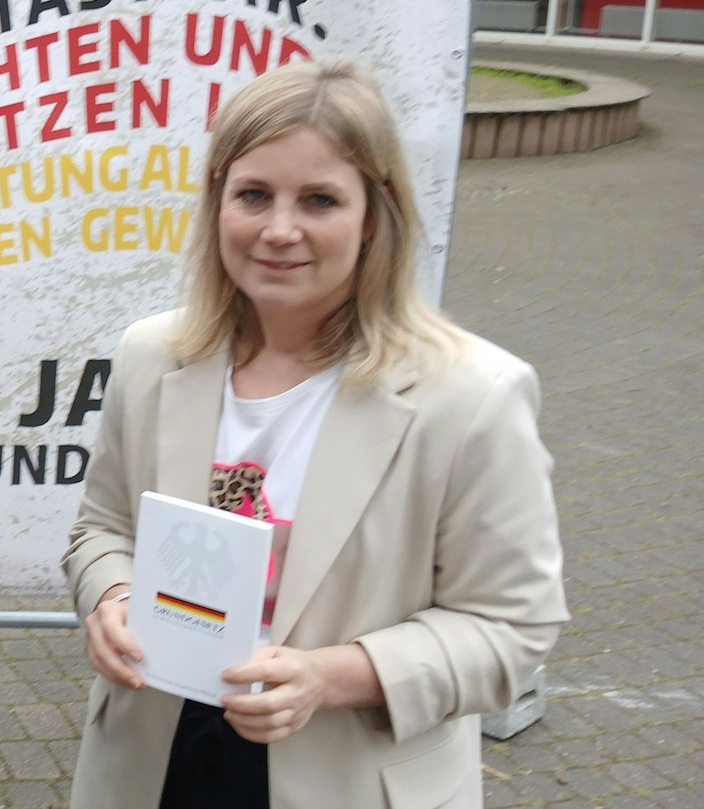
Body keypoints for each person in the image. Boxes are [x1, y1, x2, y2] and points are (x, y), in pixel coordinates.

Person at [62, 60, 567, 809]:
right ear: (217, 203)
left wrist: (333, 675)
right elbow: (101, 528)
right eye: (254, 194)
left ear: (374, 216)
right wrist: (111, 594)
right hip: (154, 757)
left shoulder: (471, 397)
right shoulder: (152, 355)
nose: (280, 229)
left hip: (346, 769)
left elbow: (513, 628)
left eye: (321, 199)